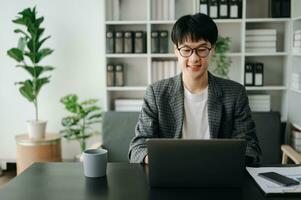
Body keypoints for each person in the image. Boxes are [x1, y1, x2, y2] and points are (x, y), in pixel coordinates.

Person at [128, 13, 261, 165]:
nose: (194, 58)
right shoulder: (156, 93)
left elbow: (250, 146)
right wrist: (159, 160)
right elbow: (137, 147)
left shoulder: (235, 94)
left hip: (219, 176)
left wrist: (227, 161)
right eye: (186, 50)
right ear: (176, 51)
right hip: (171, 174)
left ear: (213, 49)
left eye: (202, 49)